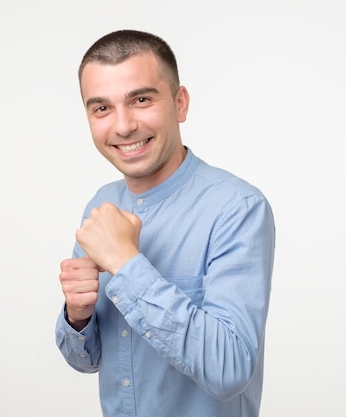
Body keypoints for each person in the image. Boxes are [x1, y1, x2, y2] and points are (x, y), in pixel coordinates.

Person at [55, 29, 275, 417]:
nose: (123, 126)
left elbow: (230, 370)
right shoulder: (101, 204)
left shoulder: (237, 207)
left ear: (180, 103)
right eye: (101, 108)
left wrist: (126, 265)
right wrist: (77, 316)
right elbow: (84, 361)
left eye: (140, 99)